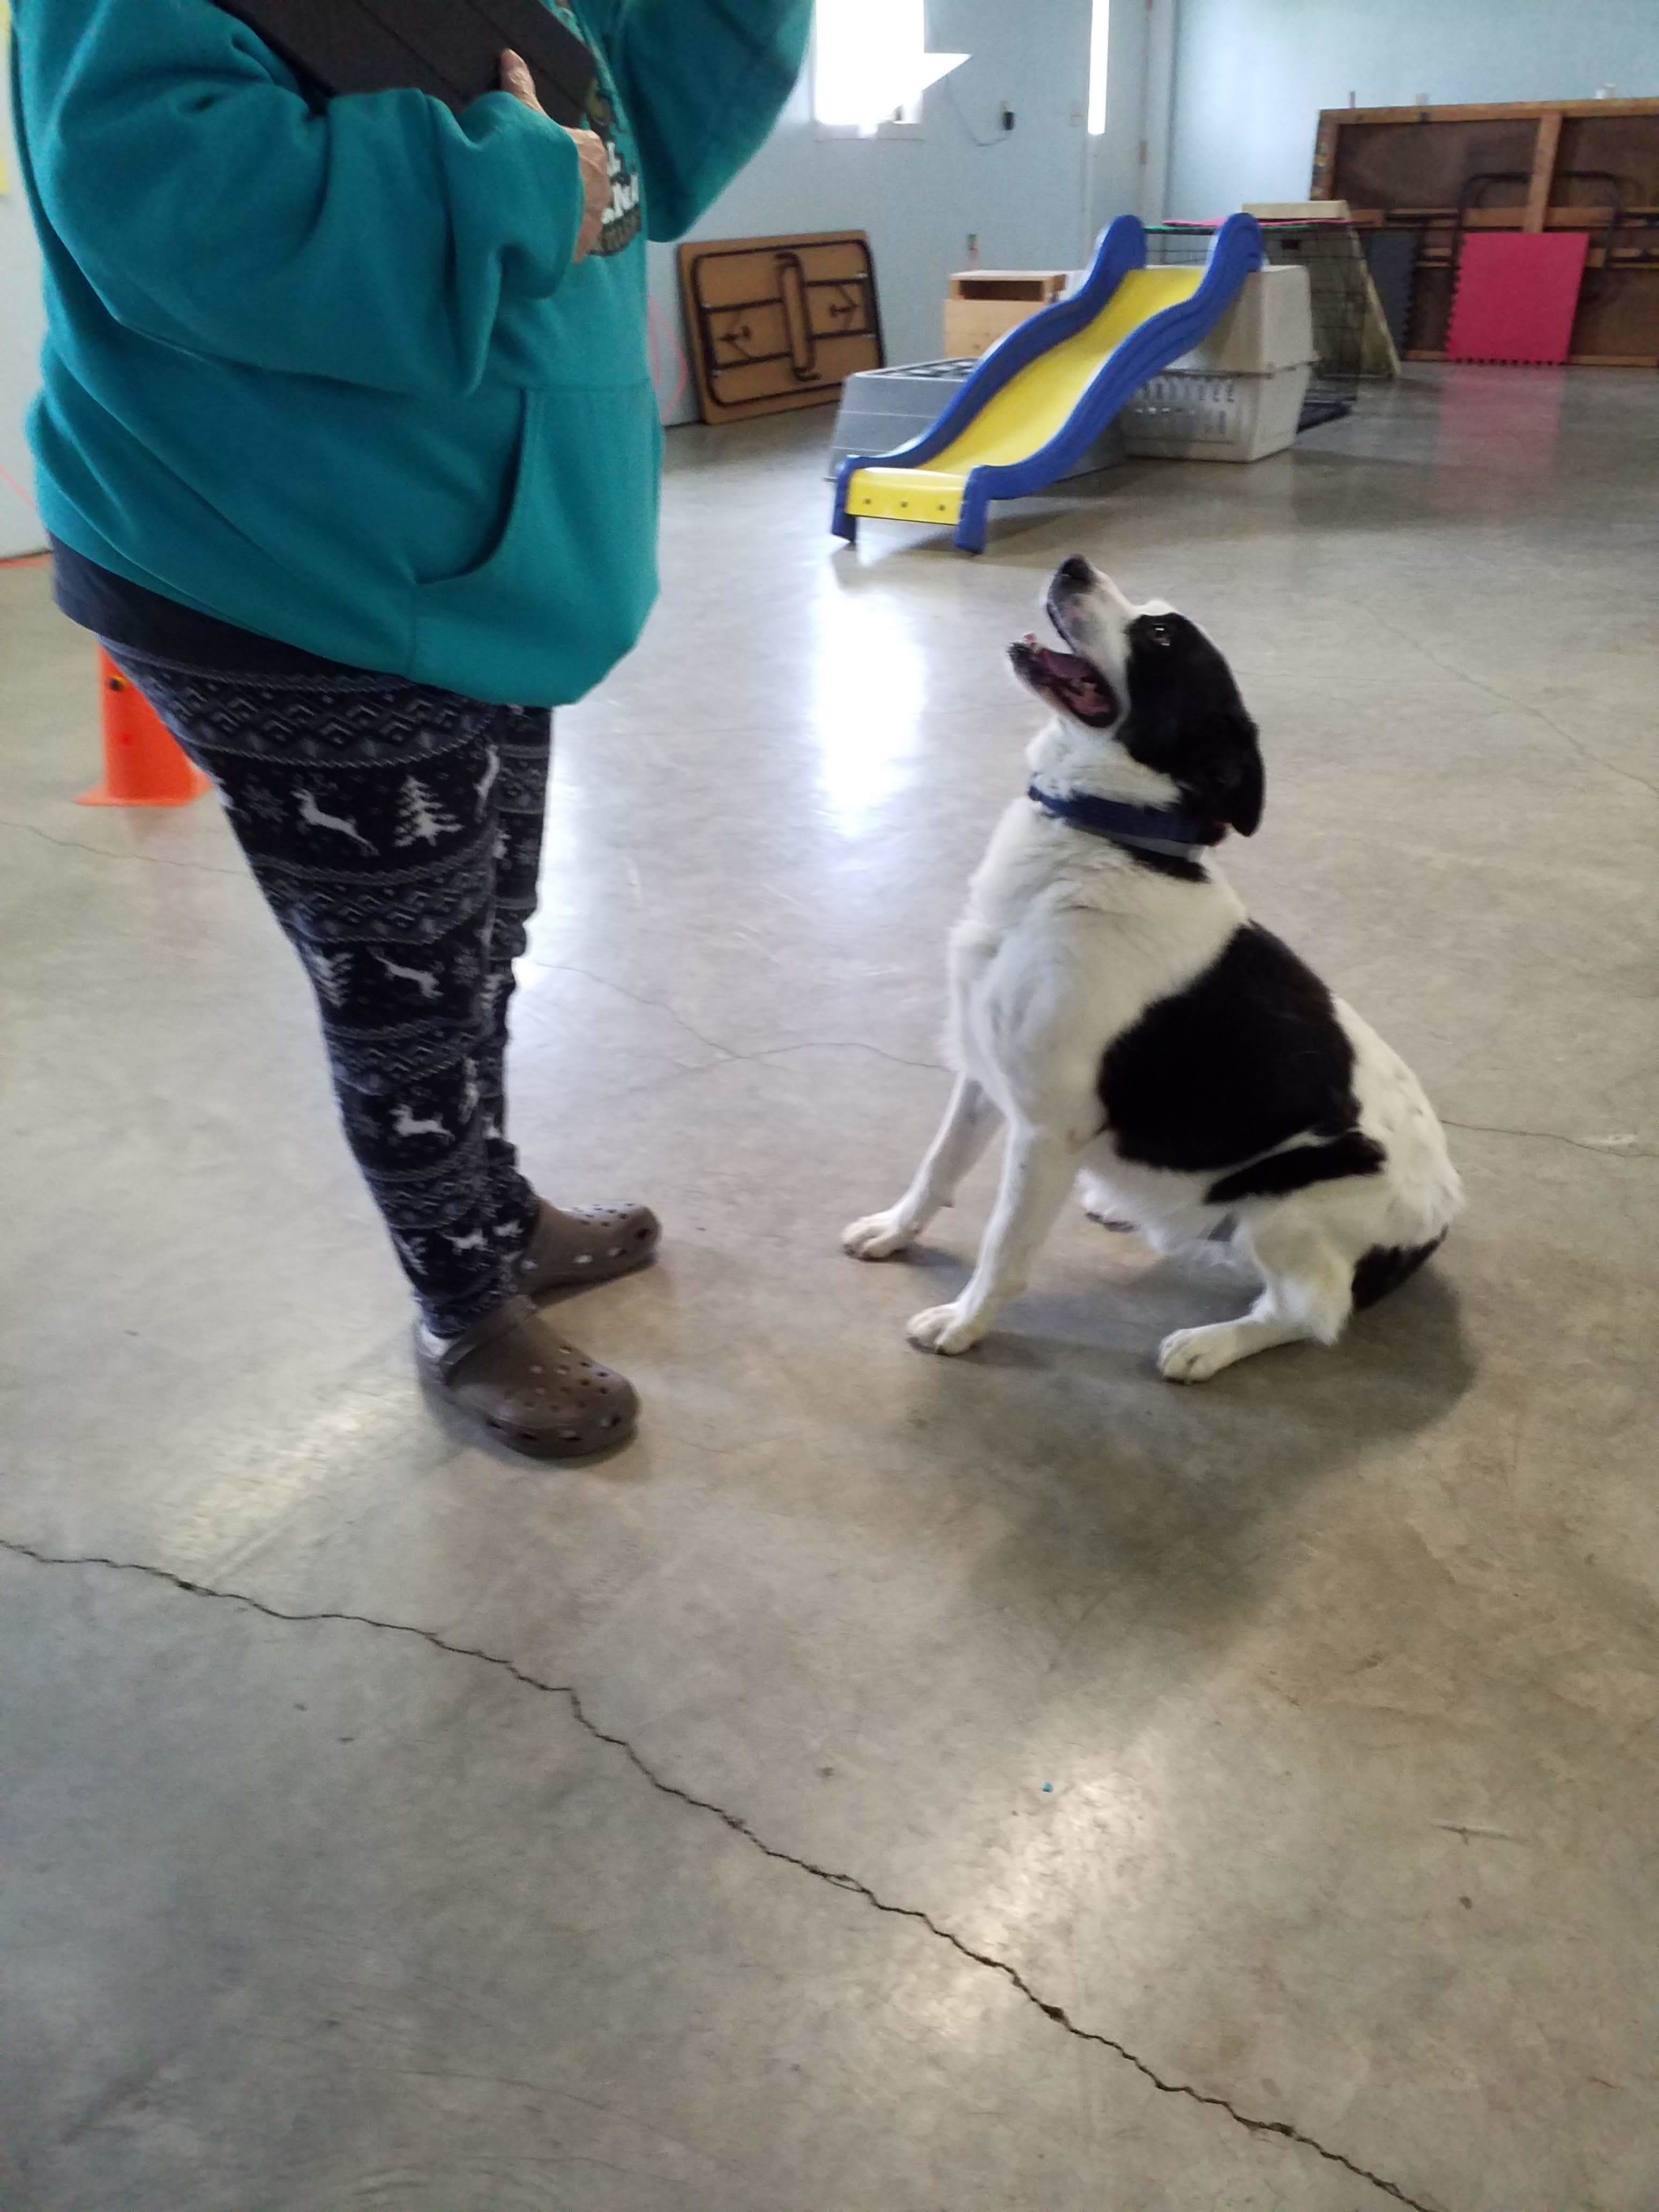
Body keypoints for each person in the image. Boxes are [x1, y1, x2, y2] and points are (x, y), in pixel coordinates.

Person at [10, 0, 812, 1456]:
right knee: (407, 987)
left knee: (485, 930)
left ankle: (493, 1207)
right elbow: (163, 196)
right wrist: (502, 182)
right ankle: (465, 1311)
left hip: (486, 551)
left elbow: (632, 156)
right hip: (286, 566)